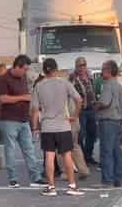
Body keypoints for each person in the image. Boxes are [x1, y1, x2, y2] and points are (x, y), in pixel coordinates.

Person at [31, 58, 84, 196]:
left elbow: (35, 110)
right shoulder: (64, 83)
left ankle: (51, 187)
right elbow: (79, 99)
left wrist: (35, 127)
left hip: (47, 126)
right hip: (63, 125)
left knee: (49, 156)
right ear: (56, 69)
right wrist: (75, 116)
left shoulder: (38, 86)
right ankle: (72, 186)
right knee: (67, 156)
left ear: (44, 70)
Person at [0, 55, 47, 188]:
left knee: (29, 150)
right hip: (9, 120)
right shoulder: (4, 78)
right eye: (24, 69)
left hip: (23, 119)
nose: (25, 72)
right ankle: (13, 179)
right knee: (10, 150)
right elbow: (3, 99)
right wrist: (23, 97)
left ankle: (35, 177)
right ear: (17, 66)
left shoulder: (23, 77)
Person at [93, 60, 122, 188]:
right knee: (117, 151)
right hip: (117, 121)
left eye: (104, 69)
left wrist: (96, 105)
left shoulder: (108, 85)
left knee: (106, 152)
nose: (102, 71)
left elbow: (105, 102)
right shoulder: (119, 86)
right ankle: (119, 179)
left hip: (107, 120)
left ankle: (107, 181)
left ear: (109, 71)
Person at [69, 57, 99, 166]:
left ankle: (88, 156)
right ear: (76, 67)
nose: (82, 67)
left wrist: (95, 102)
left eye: (83, 65)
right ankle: (80, 158)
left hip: (91, 109)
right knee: (80, 134)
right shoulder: (72, 78)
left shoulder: (90, 76)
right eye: (79, 65)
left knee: (92, 134)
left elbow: (93, 91)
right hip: (80, 110)